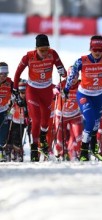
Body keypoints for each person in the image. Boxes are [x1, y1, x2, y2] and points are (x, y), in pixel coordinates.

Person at [64, 35, 102, 162]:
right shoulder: (82, 60)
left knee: (95, 124)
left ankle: (94, 148)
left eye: (100, 50)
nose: (97, 53)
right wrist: (66, 89)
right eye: (95, 50)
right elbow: (73, 74)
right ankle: (84, 151)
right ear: (90, 48)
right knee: (89, 121)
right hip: (84, 94)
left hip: (99, 96)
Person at [13, 34, 67, 162]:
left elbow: (64, 73)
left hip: (47, 90)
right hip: (32, 91)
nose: (44, 53)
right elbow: (17, 73)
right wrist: (15, 90)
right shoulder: (28, 57)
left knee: (45, 121)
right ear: (36, 48)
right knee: (36, 120)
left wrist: (61, 71)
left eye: (46, 49)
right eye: (42, 50)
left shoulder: (53, 54)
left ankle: (43, 137)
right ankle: (34, 147)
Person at [53, 66, 82, 161]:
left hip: (75, 114)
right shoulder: (63, 83)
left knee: (79, 137)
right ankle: (61, 153)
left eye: (76, 76)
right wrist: (58, 92)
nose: (73, 79)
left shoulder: (80, 84)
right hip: (62, 115)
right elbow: (54, 90)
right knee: (60, 140)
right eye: (71, 76)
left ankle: (80, 154)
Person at [7, 79, 29, 162]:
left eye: (25, 92)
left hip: (24, 121)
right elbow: (10, 107)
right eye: (22, 92)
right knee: (14, 136)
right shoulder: (15, 98)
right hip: (15, 120)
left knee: (20, 136)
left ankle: (18, 151)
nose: (24, 95)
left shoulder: (29, 98)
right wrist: (9, 115)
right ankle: (13, 151)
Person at [0, 62, 13, 162]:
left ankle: (1, 151)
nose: (4, 76)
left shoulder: (9, 82)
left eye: (6, 74)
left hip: (4, 110)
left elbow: (17, 87)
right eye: (2, 74)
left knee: (4, 132)